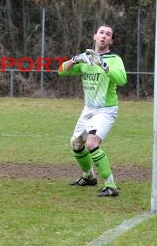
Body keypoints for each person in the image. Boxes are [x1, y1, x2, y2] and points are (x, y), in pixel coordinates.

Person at [58, 25, 127, 197]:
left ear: (111, 40)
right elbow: (61, 72)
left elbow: (122, 80)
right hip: (88, 110)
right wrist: (75, 60)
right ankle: (89, 176)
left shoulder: (114, 59)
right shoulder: (85, 59)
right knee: (76, 143)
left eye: (108, 34)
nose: (104, 36)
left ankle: (110, 185)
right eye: (101, 33)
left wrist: (103, 64)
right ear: (95, 36)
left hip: (106, 110)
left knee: (91, 143)